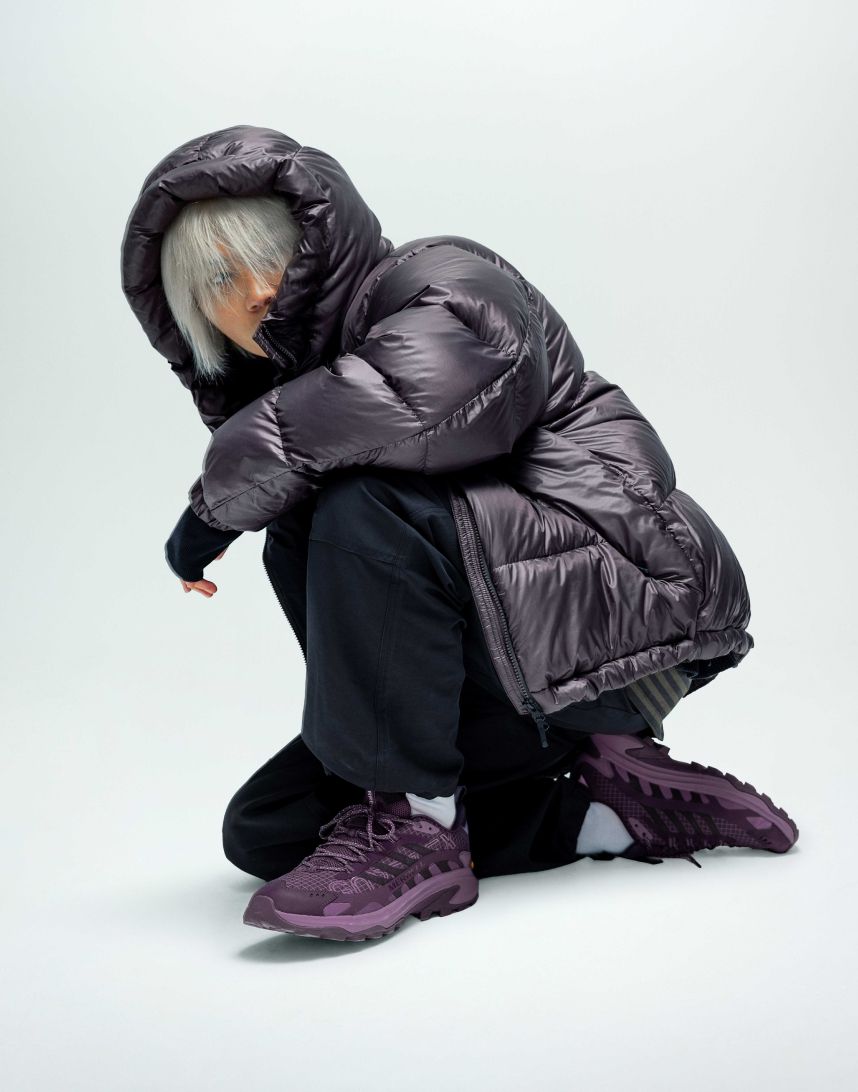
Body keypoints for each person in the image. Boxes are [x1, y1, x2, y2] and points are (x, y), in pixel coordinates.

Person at [121, 125, 799, 943]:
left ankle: (419, 818)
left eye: (275, 255)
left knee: (360, 502)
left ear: (322, 241)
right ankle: (599, 815)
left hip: (608, 616)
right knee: (266, 829)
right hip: (498, 668)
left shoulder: (439, 278)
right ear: (195, 317)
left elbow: (409, 395)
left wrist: (211, 509)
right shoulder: (304, 407)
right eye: (221, 280)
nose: (258, 289)